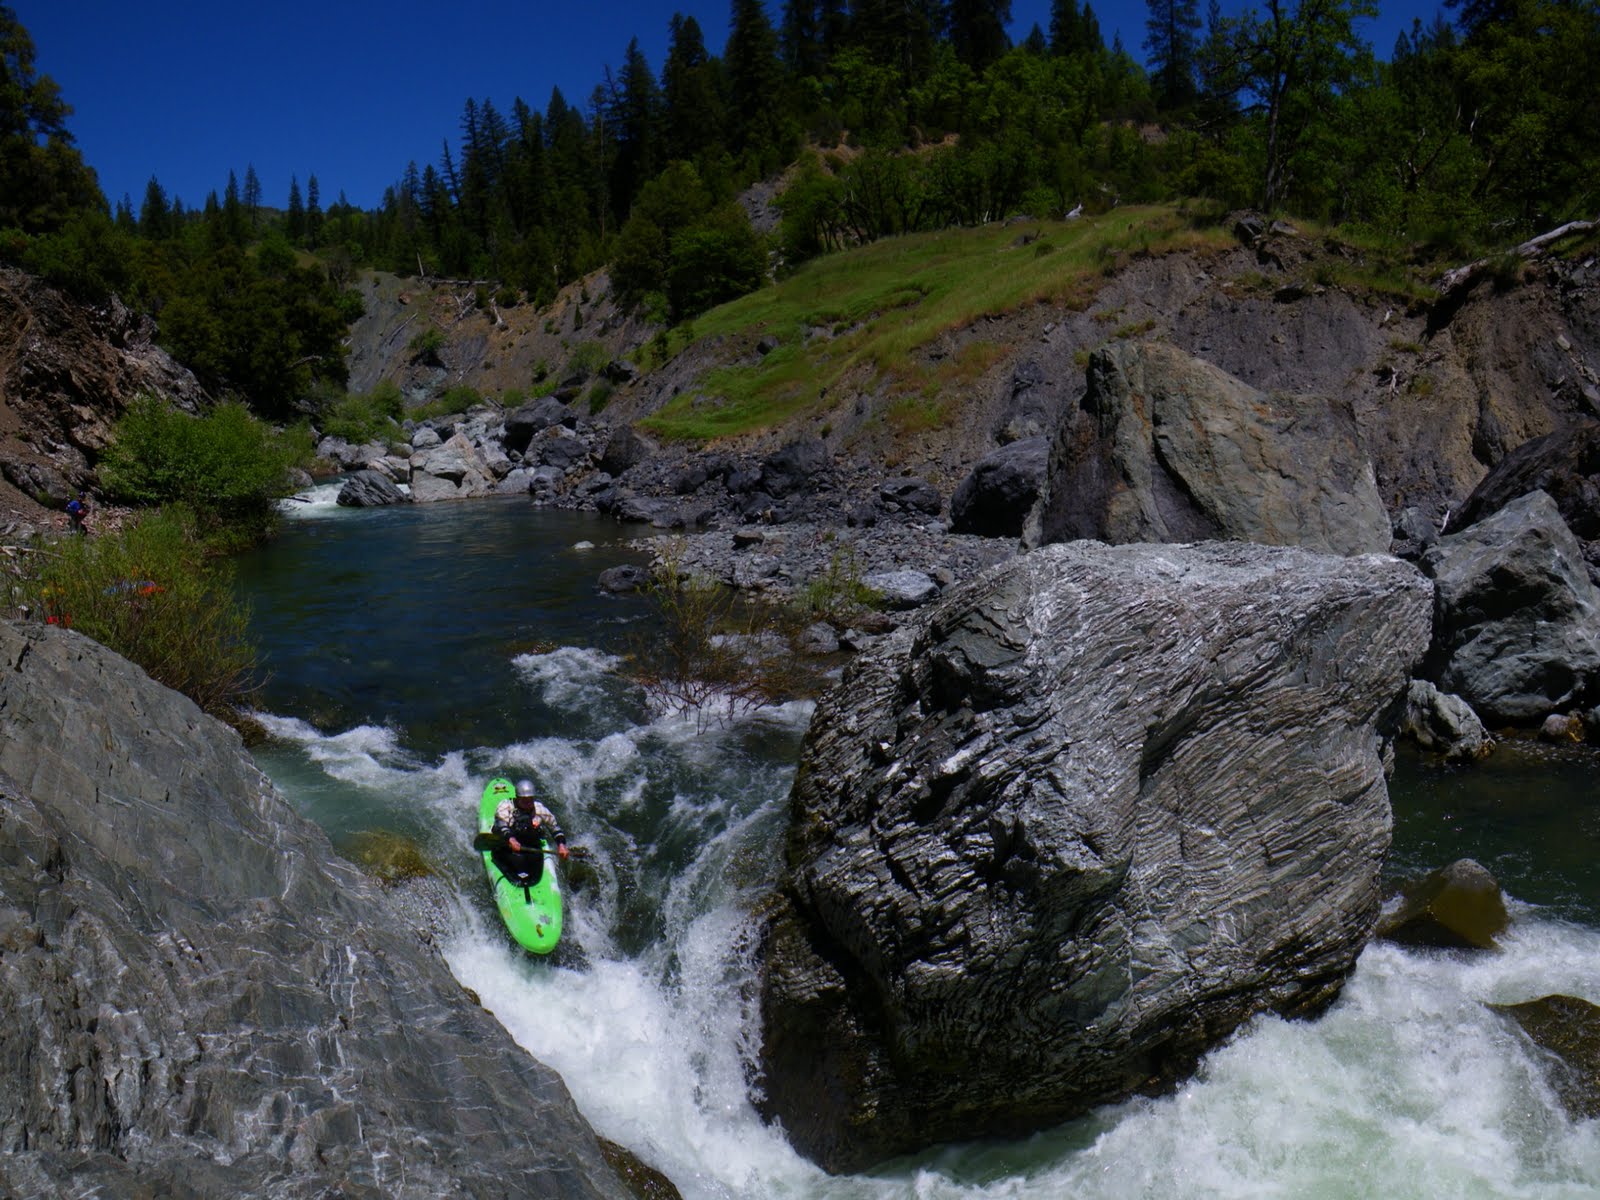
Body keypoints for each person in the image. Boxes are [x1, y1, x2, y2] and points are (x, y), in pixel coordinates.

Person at [491, 778, 568, 884]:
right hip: (507, 847)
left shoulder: (539, 809)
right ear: (517, 798)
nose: (528, 803)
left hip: (529, 847)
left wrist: (561, 845)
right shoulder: (506, 807)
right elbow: (502, 826)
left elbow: (555, 828)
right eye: (524, 800)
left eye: (530, 800)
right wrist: (511, 840)